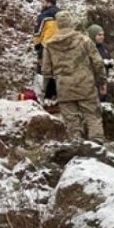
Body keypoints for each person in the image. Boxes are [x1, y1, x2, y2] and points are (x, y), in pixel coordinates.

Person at [41, 11, 106, 142]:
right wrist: (102, 82)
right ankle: (97, 147)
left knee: (72, 122)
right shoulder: (84, 40)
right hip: (86, 85)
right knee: (93, 116)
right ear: (71, 23)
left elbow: (46, 70)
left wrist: (46, 90)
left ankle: (77, 147)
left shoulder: (49, 44)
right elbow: (98, 63)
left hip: (64, 87)